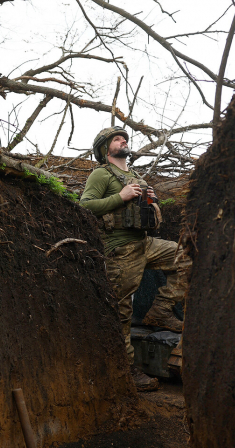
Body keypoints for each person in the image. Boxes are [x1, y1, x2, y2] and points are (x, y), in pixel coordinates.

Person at [79, 126, 191, 392]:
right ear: (105, 149)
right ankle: (127, 370)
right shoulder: (100, 174)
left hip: (146, 243)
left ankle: (161, 311)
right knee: (121, 311)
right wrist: (121, 196)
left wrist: (152, 204)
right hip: (121, 247)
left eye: (125, 138)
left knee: (185, 257)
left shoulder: (135, 176)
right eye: (116, 139)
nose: (123, 140)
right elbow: (84, 205)